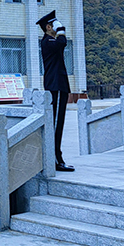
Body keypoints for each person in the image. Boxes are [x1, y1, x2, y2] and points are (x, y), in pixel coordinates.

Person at [37, 11, 75, 171]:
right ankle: (55, 159)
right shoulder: (48, 41)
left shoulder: (51, 41)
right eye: (54, 25)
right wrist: (61, 30)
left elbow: (61, 44)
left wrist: (59, 31)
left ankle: (55, 157)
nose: (58, 27)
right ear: (48, 27)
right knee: (56, 124)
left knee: (57, 124)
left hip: (57, 85)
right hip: (56, 85)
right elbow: (62, 43)